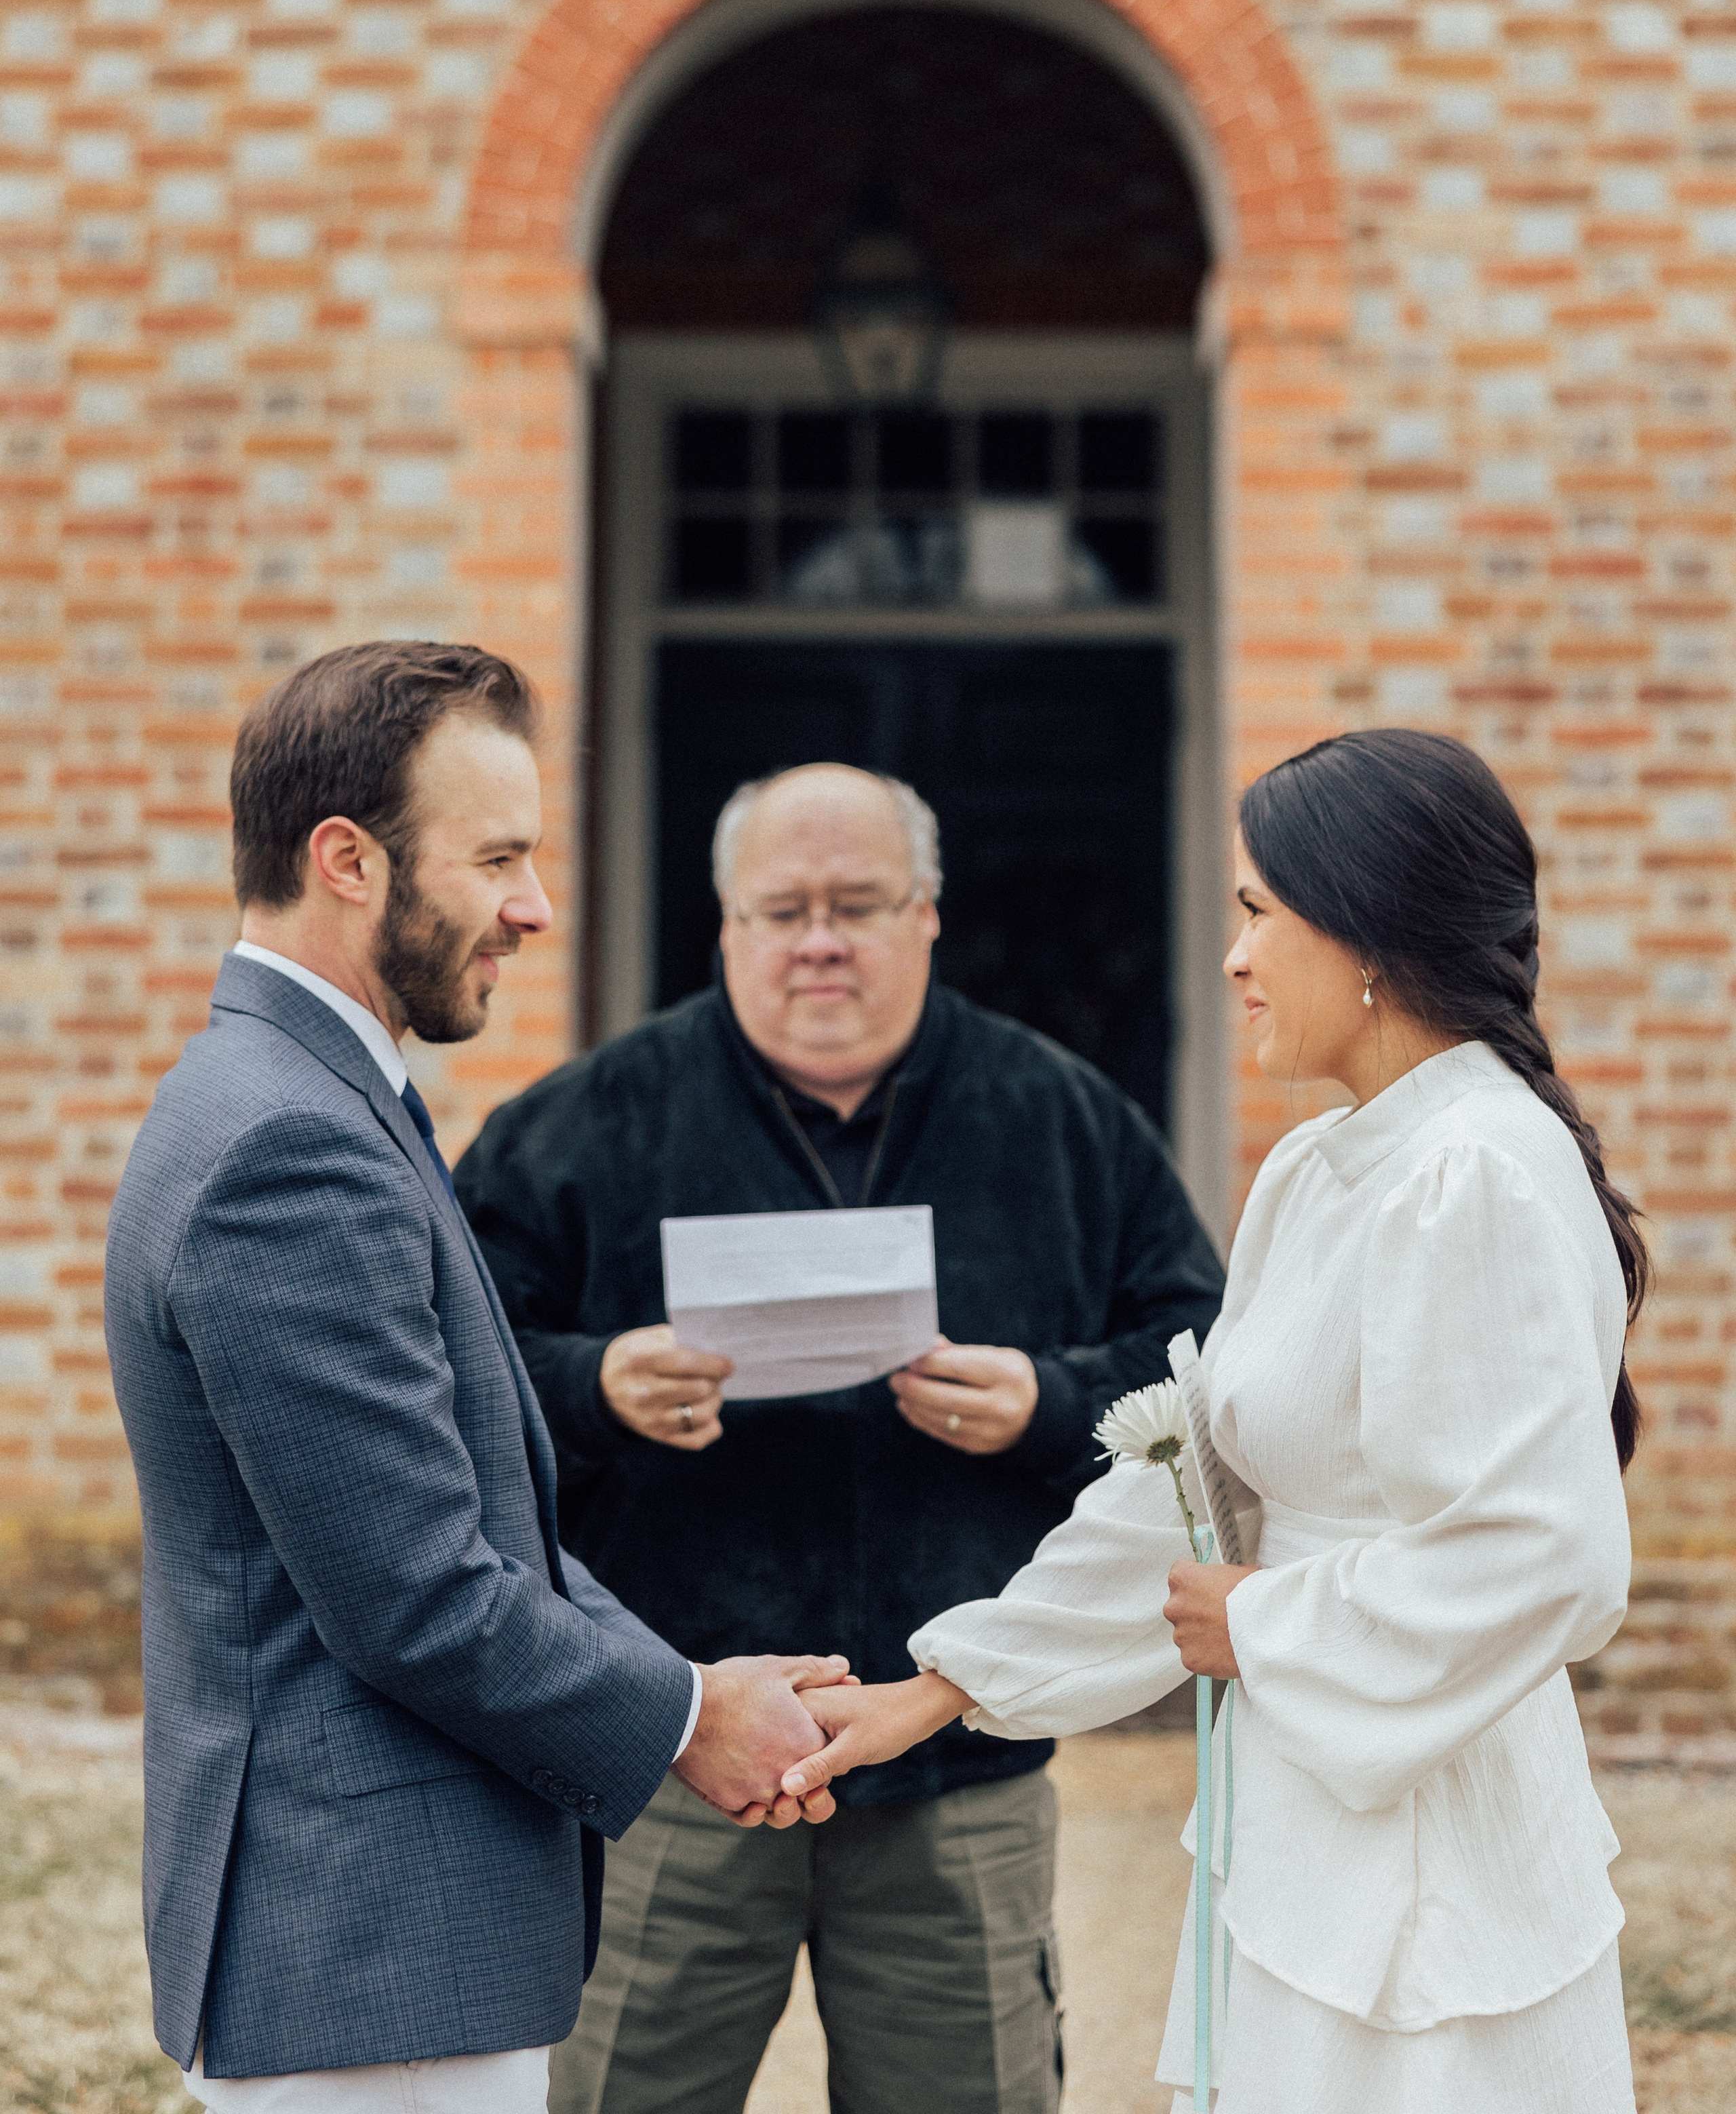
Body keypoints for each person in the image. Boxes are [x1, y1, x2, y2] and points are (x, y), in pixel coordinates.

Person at [781, 728, 1643, 2114]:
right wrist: (942, 1688)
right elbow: (1194, 1478)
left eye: (1256, 913)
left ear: (1365, 930)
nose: (1231, 959)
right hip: (1295, 1816)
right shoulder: (1315, 1168)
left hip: (1429, 1875)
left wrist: (1258, 1625)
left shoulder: (1475, 1174)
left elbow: (1548, 1556)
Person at [105, 644, 846, 2113]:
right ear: (347, 863)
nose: (534, 906)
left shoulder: (302, 1095)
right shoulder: (286, 1146)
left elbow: (477, 1523)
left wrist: (684, 1685)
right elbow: (418, 1596)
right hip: (367, 1959)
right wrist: (693, 1713)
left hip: (380, 1945)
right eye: (497, 856)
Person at [456, 760, 1225, 2114]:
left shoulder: (1058, 1120)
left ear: (927, 915)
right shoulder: (584, 1126)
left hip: (954, 1759)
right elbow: (444, 1371)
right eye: (783, 908)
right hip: (670, 1756)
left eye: (858, 904)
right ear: (725, 930)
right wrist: (592, 1386)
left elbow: (1204, 1369)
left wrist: (1049, 1404)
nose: (820, 938)